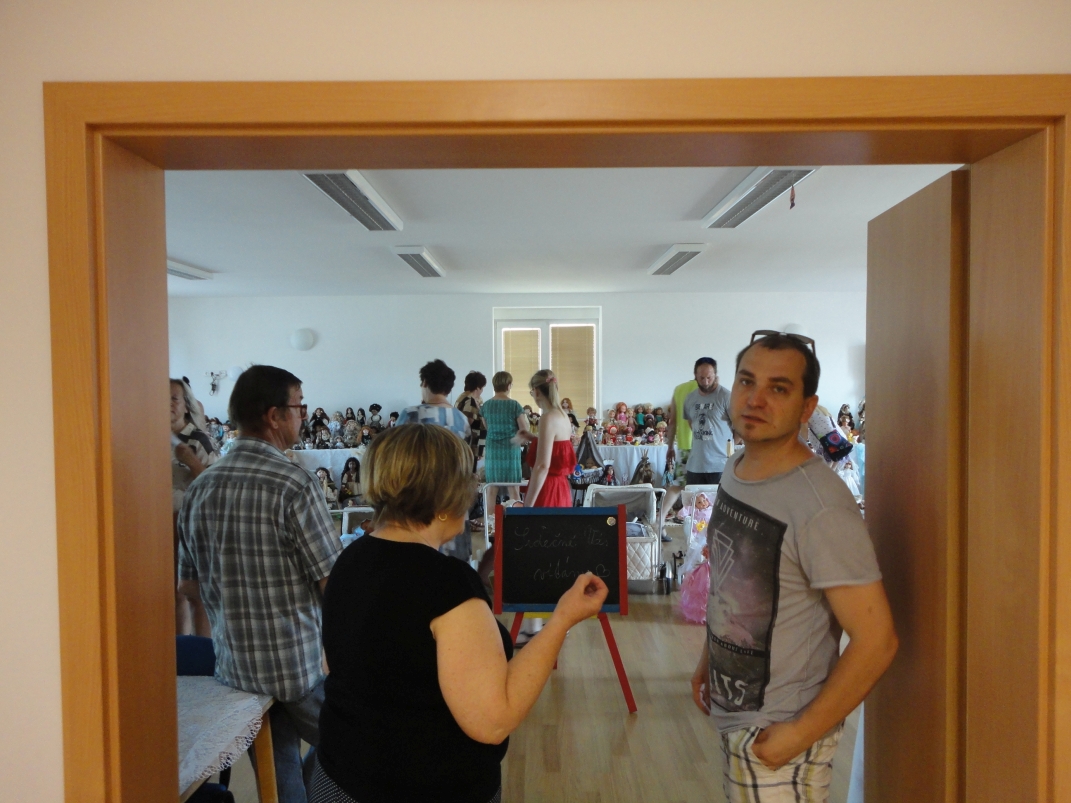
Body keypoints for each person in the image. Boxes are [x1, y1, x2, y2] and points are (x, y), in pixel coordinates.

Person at [312, 424, 608, 803]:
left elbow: (333, 665)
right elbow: (493, 721)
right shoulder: (446, 583)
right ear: (446, 497)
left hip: (338, 777)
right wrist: (562, 619)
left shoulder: (349, 559)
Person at [690, 332, 897, 803]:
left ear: (807, 408)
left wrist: (799, 734)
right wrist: (707, 659)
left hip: (780, 729)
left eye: (779, 388)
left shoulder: (821, 506)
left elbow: (877, 640)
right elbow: (729, 582)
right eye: (747, 381)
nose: (755, 399)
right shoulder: (735, 470)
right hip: (735, 711)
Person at [177, 365, 342, 803]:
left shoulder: (200, 489)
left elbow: (189, 588)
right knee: (361, 744)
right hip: (300, 666)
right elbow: (333, 584)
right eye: (299, 405)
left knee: (279, 775)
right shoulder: (294, 484)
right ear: (274, 416)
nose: (303, 414)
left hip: (237, 670)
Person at [170, 378, 219, 637]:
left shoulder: (198, 440)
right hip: (158, 523)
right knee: (171, 592)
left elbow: (215, 487)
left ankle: (201, 649)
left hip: (192, 523)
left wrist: (191, 461)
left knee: (195, 590)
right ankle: (178, 648)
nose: (167, 404)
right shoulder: (148, 435)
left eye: (174, 399)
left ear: (186, 405)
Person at [523, 369, 576, 509]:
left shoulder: (547, 418)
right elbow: (556, 446)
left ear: (536, 392)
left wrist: (527, 506)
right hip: (561, 489)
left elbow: (542, 466)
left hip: (547, 489)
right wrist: (533, 438)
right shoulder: (564, 417)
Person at [658, 363, 701, 535]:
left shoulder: (680, 389)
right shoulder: (708, 391)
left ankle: (660, 520)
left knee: (677, 485)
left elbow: (673, 422)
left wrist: (670, 446)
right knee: (707, 489)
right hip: (704, 447)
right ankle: (699, 526)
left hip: (684, 446)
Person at [679, 357, 733, 485]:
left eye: (709, 377)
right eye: (701, 378)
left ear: (715, 374)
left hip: (720, 467)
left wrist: (727, 446)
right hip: (695, 466)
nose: (706, 382)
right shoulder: (690, 398)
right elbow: (691, 423)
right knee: (692, 498)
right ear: (695, 375)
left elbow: (740, 426)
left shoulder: (726, 397)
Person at [400, 359, 472, 441]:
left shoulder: (410, 414)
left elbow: (394, 445)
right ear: (449, 389)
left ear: (425, 382)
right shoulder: (462, 418)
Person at [455, 370, 489, 470]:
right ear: (478, 388)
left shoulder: (463, 397)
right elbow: (468, 423)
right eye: (482, 388)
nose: (482, 391)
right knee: (470, 472)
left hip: (468, 444)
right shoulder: (470, 401)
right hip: (470, 444)